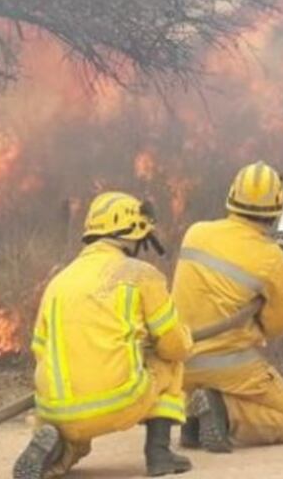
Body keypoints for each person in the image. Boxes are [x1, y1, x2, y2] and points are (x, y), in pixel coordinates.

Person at [13, 192, 194, 479]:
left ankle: (56, 454)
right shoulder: (141, 274)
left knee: (76, 438)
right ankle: (160, 454)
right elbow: (173, 345)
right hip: (119, 402)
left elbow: (40, 349)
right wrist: (182, 340)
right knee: (169, 360)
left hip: (56, 409)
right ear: (134, 231)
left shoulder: (58, 281)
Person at [172, 161, 283, 452]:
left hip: (181, 364)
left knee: (202, 390)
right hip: (230, 368)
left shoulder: (195, 233)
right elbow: (276, 327)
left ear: (232, 197)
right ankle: (223, 411)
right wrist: (280, 261)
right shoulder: (273, 260)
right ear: (277, 208)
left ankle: (195, 419)